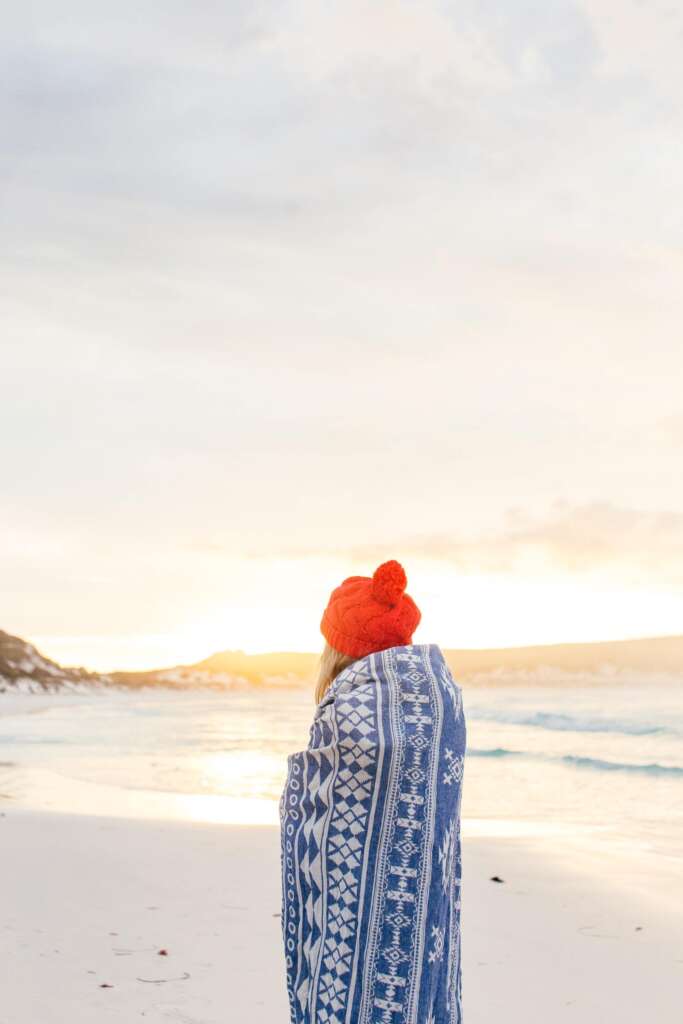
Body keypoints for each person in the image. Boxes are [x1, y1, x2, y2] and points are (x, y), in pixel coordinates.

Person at [279, 560, 467, 1024]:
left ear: (336, 646)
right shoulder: (441, 701)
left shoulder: (347, 709)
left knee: (350, 982)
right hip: (423, 909)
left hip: (352, 920)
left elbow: (314, 817)